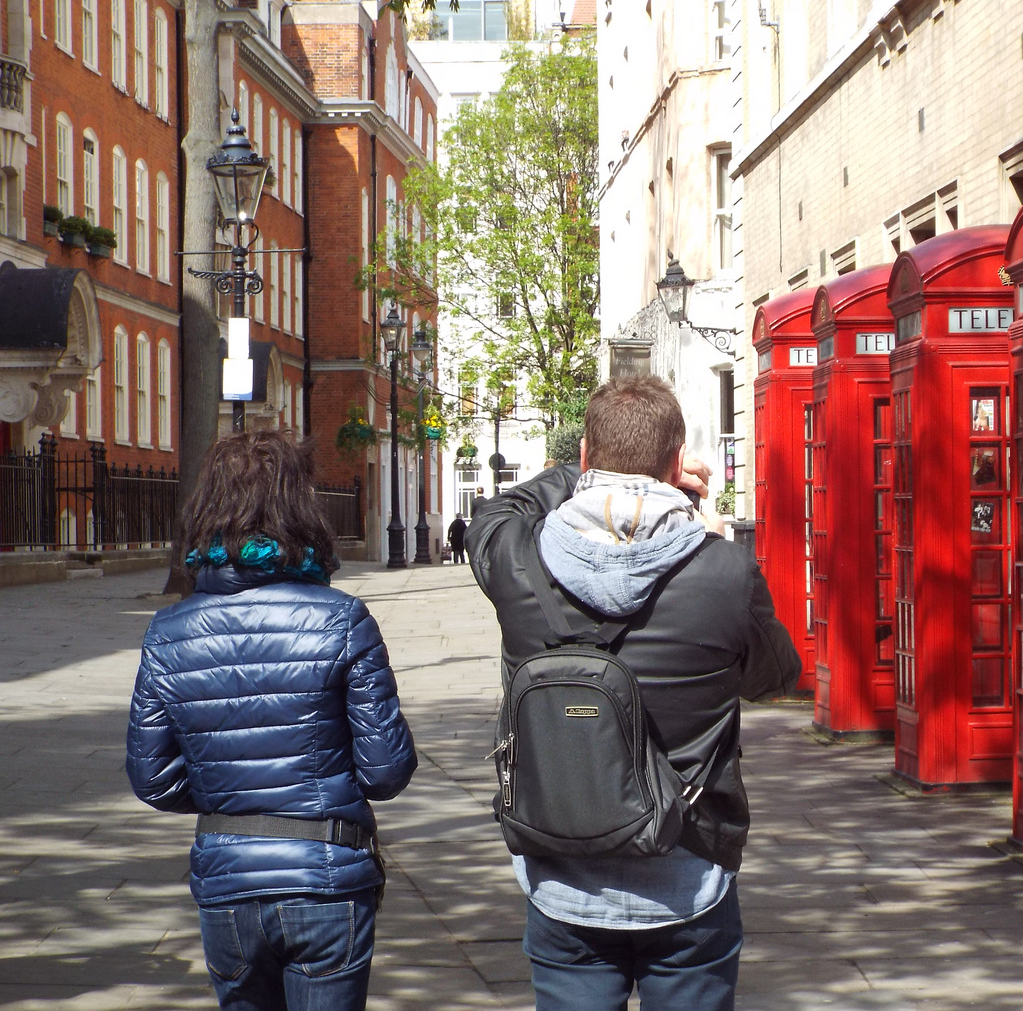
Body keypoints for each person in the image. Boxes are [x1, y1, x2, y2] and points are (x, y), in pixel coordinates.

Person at [465, 375, 799, 1011]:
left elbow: (497, 511)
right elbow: (776, 678)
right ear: (677, 464)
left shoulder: (518, 559)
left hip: (560, 871)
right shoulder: (724, 569)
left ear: (588, 458)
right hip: (689, 865)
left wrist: (578, 466)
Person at [126, 430, 416, 1011]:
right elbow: (386, 771)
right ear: (299, 507)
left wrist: (227, 792)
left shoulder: (168, 632)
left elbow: (153, 779)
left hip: (227, 879)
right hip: (327, 876)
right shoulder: (343, 619)